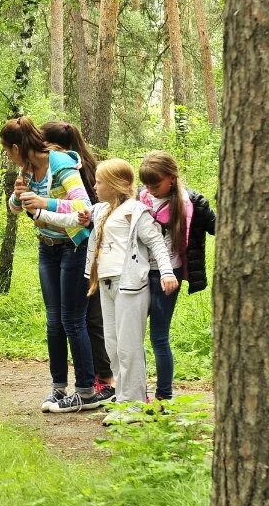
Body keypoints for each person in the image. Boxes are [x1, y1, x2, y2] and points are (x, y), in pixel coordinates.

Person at [3, 116, 109, 414]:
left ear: (16, 147)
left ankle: (86, 390)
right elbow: (15, 208)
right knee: (53, 321)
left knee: (72, 320)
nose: (9, 158)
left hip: (74, 246)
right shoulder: (26, 169)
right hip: (47, 247)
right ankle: (58, 388)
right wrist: (18, 193)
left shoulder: (61, 163)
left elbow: (83, 208)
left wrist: (44, 202)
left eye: (7, 152)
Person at [60, 159, 177, 424]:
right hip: (106, 284)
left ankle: (134, 406)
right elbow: (70, 218)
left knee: (128, 346)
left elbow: (157, 243)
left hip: (131, 285)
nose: (95, 185)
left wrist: (168, 273)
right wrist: (38, 210)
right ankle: (123, 399)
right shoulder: (100, 210)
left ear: (115, 185)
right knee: (112, 345)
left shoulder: (136, 211)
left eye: (100, 181)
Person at [40, 120, 112, 391]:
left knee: (87, 317)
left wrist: (45, 212)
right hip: (92, 245)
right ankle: (101, 376)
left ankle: (102, 378)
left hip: (86, 245)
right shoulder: (86, 163)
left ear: (48, 145)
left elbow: (84, 211)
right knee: (90, 316)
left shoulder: (68, 169)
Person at [137, 151, 193, 402]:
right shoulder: (143, 197)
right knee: (133, 335)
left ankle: (164, 396)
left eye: (155, 184)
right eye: (146, 184)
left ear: (171, 178)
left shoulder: (183, 203)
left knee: (158, 336)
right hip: (139, 272)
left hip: (167, 274)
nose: (150, 189)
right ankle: (137, 394)